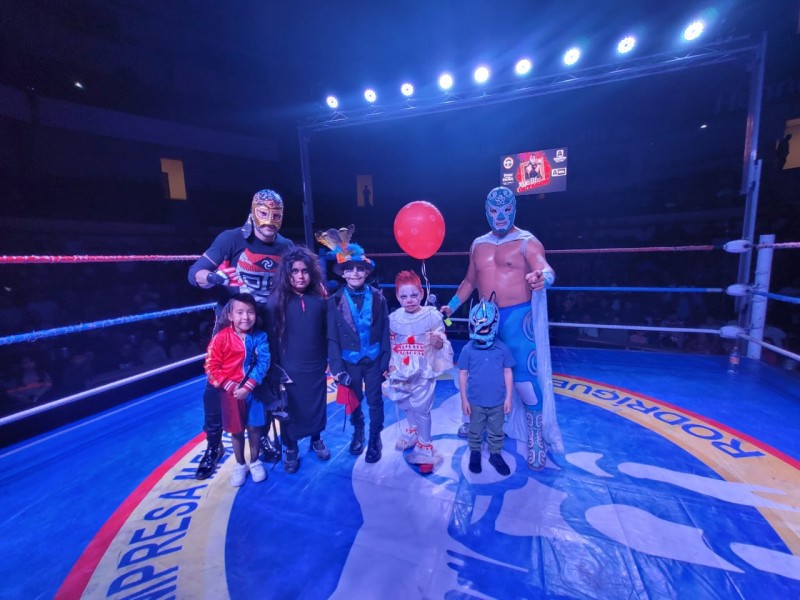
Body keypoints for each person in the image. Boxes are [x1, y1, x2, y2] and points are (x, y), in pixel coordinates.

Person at [441, 185, 563, 470]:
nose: (500, 216)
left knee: (524, 379)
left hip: (518, 319)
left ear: (514, 209)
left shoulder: (527, 241)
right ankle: (477, 422)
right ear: (486, 211)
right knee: (479, 376)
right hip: (484, 318)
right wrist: (451, 307)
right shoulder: (478, 244)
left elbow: (546, 269)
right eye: (494, 210)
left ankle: (536, 438)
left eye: (506, 209)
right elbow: (470, 281)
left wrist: (542, 278)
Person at [188, 189, 295, 480]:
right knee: (215, 387)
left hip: (267, 327)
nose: (270, 220)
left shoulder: (286, 246)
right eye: (264, 213)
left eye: (276, 214)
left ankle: (264, 438)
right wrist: (214, 277)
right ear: (253, 212)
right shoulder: (231, 239)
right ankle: (213, 446)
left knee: (266, 385)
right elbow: (195, 272)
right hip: (230, 328)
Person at [319, 225, 390, 464]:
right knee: (354, 399)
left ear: (367, 272)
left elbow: (385, 331)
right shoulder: (334, 301)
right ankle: (358, 431)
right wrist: (337, 368)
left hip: (374, 360)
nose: (356, 273)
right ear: (343, 273)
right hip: (349, 362)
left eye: (361, 269)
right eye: (350, 269)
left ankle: (375, 437)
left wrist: (385, 360)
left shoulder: (379, 297)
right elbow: (332, 337)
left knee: (375, 401)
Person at [266, 246, 329, 474]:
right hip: (288, 366)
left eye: (304, 271)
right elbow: (271, 338)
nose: (300, 276)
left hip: (316, 364)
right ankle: (290, 447)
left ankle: (316, 439)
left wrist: (327, 359)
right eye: (295, 271)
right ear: (287, 273)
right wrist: (275, 369)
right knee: (290, 408)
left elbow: (325, 332)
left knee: (316, 405)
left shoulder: (320, 300)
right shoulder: (275, 302)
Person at [384, 270, 453, 470]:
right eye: (404, 296)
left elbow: (441, 342)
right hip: (401, 369)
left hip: (423, 369)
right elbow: (391, 343)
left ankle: (425, 446)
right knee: (405, 403)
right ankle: (413, 430)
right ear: (397, 297)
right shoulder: (394, 318)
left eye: (414, 295)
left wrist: (438, 342)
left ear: (421, 294)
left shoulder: (431, 316)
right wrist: (391, 364)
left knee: (421, 408)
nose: (409, 300)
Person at [204, 293, 270, 487]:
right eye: (240, 312)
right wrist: (231, 386)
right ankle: (240, 464)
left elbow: (264, 362)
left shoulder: (260, 336)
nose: (245, 317)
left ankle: (255, 461)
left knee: (255, 427)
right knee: (236, 430)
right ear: (230, 315)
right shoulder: (220, 338)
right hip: (230, 392)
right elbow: (211, 366)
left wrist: (248, 386)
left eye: (250, 312)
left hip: (254, 391)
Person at [458, 296, 514, 476]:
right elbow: (463, 374)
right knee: (474, 429)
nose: (480, 333)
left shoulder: (502, 349)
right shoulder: (468, 349)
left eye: (484, 328)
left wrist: (508, 398)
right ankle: (475, 452)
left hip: (498, 401)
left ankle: (495, 454)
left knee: (496, 430)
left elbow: (507, 372)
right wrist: (464, 399)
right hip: (475, 401)